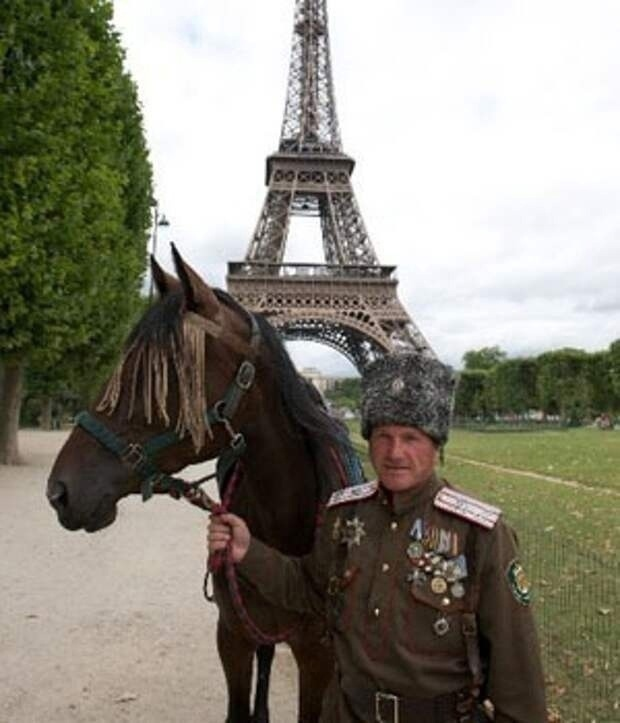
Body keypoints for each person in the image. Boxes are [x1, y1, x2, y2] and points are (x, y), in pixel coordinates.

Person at [208, 353, 547, 722]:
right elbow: (308, 589)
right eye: (383, 436)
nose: (395, 452)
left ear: (436, 445)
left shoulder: (480, 534)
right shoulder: (344, 514)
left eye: (411, 438)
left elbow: (518, 677)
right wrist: (248, 551)